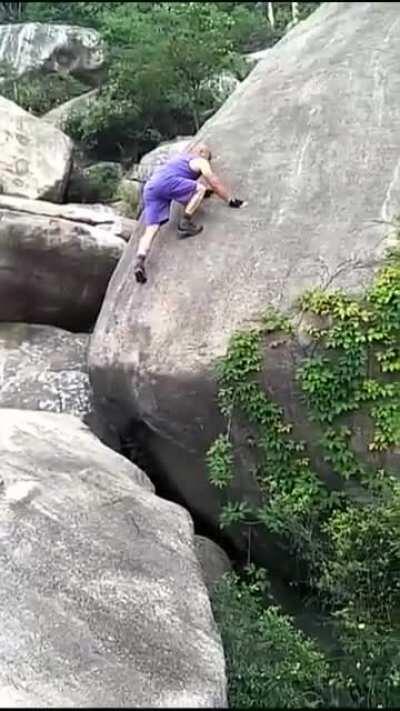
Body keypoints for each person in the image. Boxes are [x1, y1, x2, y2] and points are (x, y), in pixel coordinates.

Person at [133, 142, 244, 284]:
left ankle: (139, 261)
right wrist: (231, 200)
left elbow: (179, 190)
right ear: (202, 152)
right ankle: (185, 222)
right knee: (200, 189)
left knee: (151, 229)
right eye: (208, 157)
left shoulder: (178, 160)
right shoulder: (199, 160)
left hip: (151, 188)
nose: (208, 161)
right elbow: (213, 181)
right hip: (167, 183)